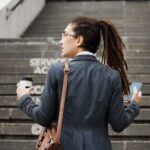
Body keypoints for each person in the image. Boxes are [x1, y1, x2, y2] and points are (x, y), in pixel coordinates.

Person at [16, 16, 142, 150]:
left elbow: (42, 117)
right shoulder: (112, 76)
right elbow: (118, 124)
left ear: (79, 40)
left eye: (65, 35)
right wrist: (134, 104)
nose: (60, 41)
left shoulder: (57, 70)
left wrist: (24, 98)